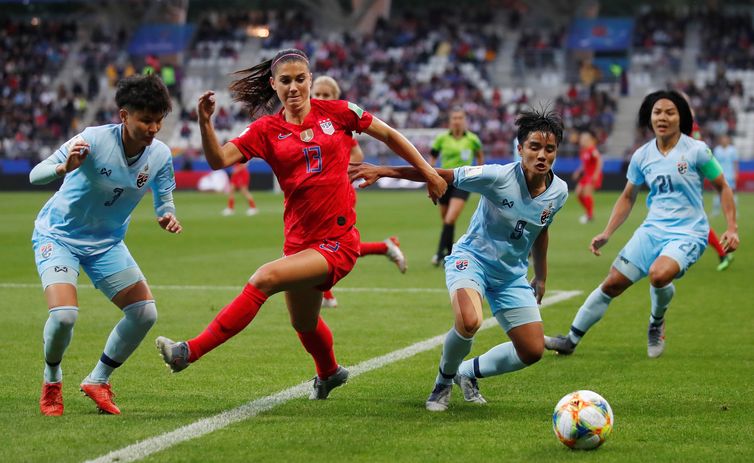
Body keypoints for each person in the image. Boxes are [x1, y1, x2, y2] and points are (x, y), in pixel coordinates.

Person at [155, 49, 446, 400]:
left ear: (310, 80)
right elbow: (218, 160)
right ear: (273, 84)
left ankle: (188, 352)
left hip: (338, 242)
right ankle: (329, 373)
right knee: (304, 324)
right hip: (299, 242)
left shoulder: (339, 113)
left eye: (300, 79)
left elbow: (390, 135)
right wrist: (205, 123)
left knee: (264, 278)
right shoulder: (265, 130)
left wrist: (428, 173)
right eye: (286, 81)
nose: (294, 87)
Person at [349, 109, 569, 412]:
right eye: (534, 146)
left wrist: (541, 276)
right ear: (519, 149)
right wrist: (384, 170)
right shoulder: (497, 176)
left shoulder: (559, 192)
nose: (542, 154)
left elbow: (541, 231)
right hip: (472, 260)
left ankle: (468, 372)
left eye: (549, 148)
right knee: (469, 322)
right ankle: (442, 382)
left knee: (531, 351)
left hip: (511, 276)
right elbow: (440, 175)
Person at [544, 90, 739, 359]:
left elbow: (723, 187)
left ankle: (656, 322)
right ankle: (570, 339)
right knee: (612, 283)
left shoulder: (697, 151)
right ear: (650, 117)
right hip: (652, 230)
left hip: (689, 232)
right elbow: (628, 197)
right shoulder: (642, 155)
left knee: (659, 275)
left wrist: (732, 228)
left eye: (670, 112)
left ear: (680, 117)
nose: (663, 117)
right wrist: (607, 232)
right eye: (657, 112)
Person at [32, 74, 182, 416]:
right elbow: (35, 174)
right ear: (124, 115)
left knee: (144, 313)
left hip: (105, 243)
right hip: (59, 236)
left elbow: (164, 195)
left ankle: (98, 380)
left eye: (159, 120)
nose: (154, 128)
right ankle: (52, 379)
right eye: (146, 119)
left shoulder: (159, 154)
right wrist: (63, 166)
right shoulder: (92, 140)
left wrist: (167, 214)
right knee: (65, 316)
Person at [311, 75, 406, 309]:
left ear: (336, 98)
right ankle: (384, 247)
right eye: (318, 94)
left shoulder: (336, 124)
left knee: (322, 245)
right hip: (318, 193)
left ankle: (327, 295)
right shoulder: (308, 123)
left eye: (326, 95)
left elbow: (357, 156)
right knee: (319, 245)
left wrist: (337, 173)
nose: (321, 99)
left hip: (336, 192)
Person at [429, 107, 484, 266]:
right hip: (443, 181)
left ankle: (439, 254)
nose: (457, 121)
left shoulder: (473, 139)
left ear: (465, 120)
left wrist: (479, 176)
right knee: (447, 221)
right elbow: (432, 158)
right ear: (450, 121)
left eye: (460, 118)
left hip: (463, 181)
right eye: (454, 118)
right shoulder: (441, 139)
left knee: (450, 218)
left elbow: (480, 157)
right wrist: (430, 175)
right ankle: (450, 254)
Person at [712, 134, 738, 270]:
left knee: (731, 195)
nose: (724, 140)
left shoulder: (732, 150)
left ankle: (733, 215)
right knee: (718, 196)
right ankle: (716, 211)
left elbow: (735, 163)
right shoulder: (717, 150)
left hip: (729, 175)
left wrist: (736, 173)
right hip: (720, 174)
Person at [572, 128, 603, 224]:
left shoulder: (592, 150)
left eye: (584, 139)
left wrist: (596, 174)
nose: (582, 141)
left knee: (587, 194)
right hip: (586, 176)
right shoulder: (583, 151)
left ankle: (589, 215)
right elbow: (584, 164)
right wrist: (578, 171)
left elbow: (599, 160)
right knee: (578, 193)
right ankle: (589, 213)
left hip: (592, 176)